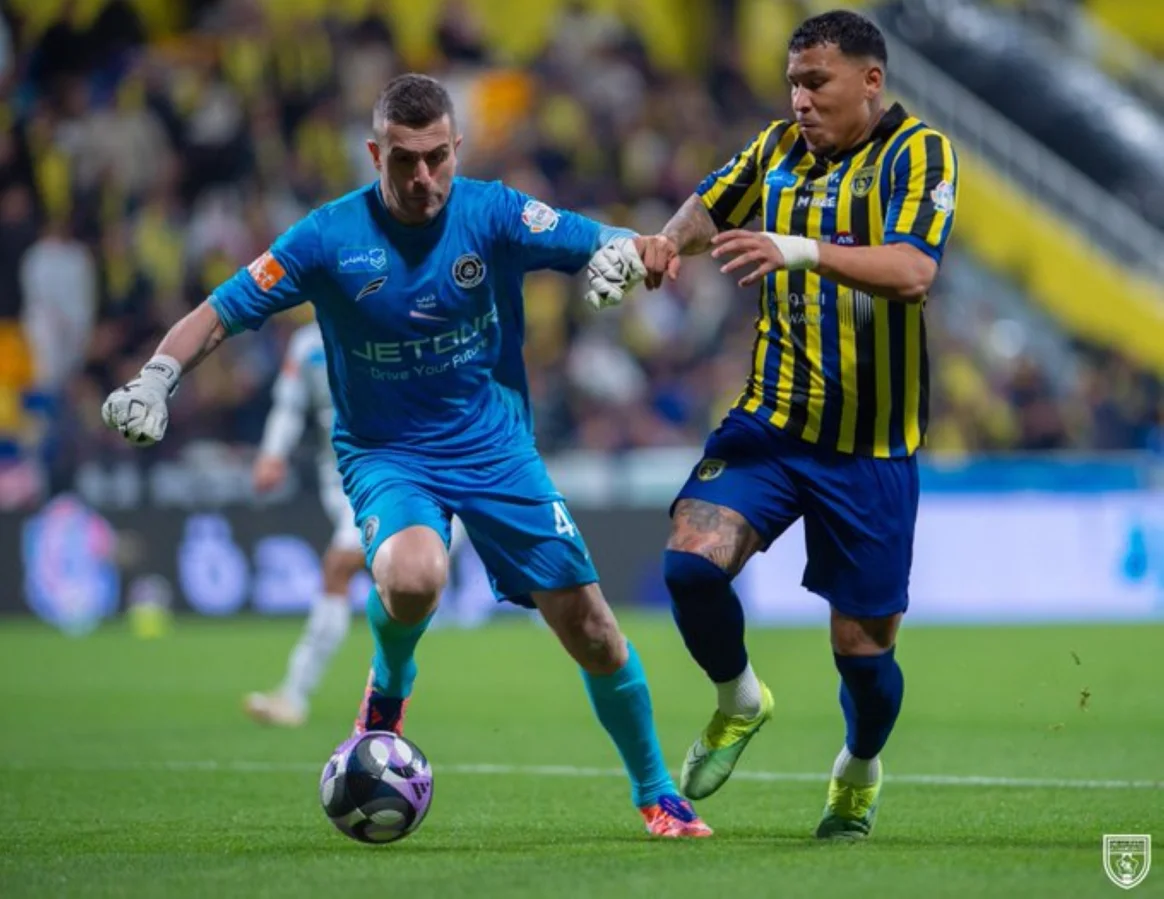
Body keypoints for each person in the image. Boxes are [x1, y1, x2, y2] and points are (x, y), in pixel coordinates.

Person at [101, 73, 710, 838]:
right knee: (415, 576)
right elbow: (221, 310)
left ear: (457, 148)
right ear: (373, 154)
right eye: (403, 160)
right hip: (387, 452)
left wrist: (639, 251)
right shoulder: (326, 237)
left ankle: (657, 792)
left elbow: (600, 240)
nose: (423, 177)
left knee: (590, 626)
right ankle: (387, 688)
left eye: (436, 157)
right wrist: (156, 377)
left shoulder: (493, 212)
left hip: (494, 446)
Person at [637, 10, 958, 839]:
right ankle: (739, 699)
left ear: (871, 81)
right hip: (770, 430)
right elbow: (708, 206)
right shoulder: (776, 148)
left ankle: (858, 767)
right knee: (690, 565)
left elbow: (913, 272)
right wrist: (665, 244)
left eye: (817, 83)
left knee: (864, 658)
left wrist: (800, 248)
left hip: (870, 450)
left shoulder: (918, 153)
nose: (800, 99)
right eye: (793, 83)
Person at [243, 319, 467, 727]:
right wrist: (272, 454)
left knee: (340, 567)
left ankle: (297, 693)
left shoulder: (388, 323)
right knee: (384, 580)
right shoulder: (307, 345)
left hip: (389, 471)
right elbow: (289, 406)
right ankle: (387, 681)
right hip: (340, 479)